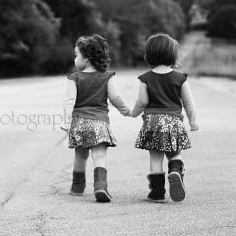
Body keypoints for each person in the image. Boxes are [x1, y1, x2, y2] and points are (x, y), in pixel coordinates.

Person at [129, 33, 199, 203]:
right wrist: (193, 120)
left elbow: (142, 101)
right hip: (173, 122)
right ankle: (175, 171)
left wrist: (133, 112)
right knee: (175, 154)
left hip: (153, 124)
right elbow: (189, 102)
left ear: (149, 55)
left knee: (155, 158)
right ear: (173, 54)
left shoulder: (145, 78)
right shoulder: (180, 78)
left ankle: (157, 192)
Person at [62, 34, 130, 202]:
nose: (74, 58)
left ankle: (77, 187)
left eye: (76, 55)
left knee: (80, 156)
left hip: (80, 124)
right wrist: (126, 110)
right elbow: (115, 98)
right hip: (99, 124)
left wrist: (65, 122)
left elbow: (69, 101)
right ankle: (100, 186)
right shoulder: (107, 76)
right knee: (99, 156)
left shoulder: (75, 78)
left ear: (87, 59)